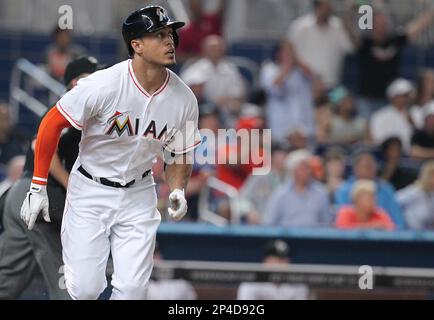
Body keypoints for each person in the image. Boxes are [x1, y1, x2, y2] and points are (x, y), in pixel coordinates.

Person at [19, 6, 201, 300]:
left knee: (132, 291)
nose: (170, 41)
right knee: (85, 289)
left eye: (170, 33)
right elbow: (52, 122)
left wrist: (177, 188)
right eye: (159, 34)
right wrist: (38, 185)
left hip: (139, 192)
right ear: (136, 45)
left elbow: (179, 153)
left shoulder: (184, 99)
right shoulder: (104, 84)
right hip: (90, 189)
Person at [0, 57, 99, 300]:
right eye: (93, 76)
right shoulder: (69, 107)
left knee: (7, 281)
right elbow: (41, 148)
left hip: (22, 195)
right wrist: (71, 186)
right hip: (39, 196)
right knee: (68, 286)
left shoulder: (86, 111)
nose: (100, 81)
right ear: (77, 81)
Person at [347, 5, 434, 117]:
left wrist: (431, 13)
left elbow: (418, 26)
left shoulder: (395, 41)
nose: (382, 27)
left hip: (390, 101)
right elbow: (348, 28)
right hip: (367, 100)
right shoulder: (365, 44)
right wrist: (349, 10)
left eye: (384, 24)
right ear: (371, 26)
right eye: (378, 24)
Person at [181, 35, 246, 128]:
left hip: (227, 113)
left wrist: (228, 101)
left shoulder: (231, 70)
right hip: (202, 113)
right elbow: (186, 96)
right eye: (212, 48)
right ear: (205, 50)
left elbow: (240, 95)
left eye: (219, 48)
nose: (216, 51)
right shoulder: (194, 70)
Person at [288, 0, 355, 89]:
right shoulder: (299, 26)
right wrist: (303, 67)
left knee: (346, 102)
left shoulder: (338, 26)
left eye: (329, 8)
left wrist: (348, 23)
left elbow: (352, 48)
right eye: (325, 8)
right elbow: (288, 51)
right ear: (317, 8)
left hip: (332, 86)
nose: (328, 11)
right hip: (305, 86)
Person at [260, 40, 315, 143]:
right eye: (287, 51)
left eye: (292, 51)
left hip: (303, 124)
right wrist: (288, 64)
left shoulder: (300, 70)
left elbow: (312, 76)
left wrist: (296, 60)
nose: (290, 54)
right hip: (281, 124)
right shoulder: (269, 68)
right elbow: (274, 86)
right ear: (278, 53)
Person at [335, 150, 405, 229]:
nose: (368, 170)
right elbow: (342, 226)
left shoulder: (386, 191)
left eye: (371, 166)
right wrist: (371, 227)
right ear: (355, 168)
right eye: (364, 166)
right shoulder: (343, 190)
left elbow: (397, 223)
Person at [264, 149, 332, 228]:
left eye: (309, 168)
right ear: (293, 171)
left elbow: (327, 223)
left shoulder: (321, 193)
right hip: (285, 238)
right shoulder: (280, 194)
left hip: (315, 238)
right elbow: (269, 223)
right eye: (303, 168)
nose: (308, 171)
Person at [237, 240, 310, 300]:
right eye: (279, 260)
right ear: (266, 261)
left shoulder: (298, 284)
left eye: (286, 260)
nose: (284, 265)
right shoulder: (251, 283)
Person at [370, 78, 415, 153]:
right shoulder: (380, 115)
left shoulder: (413, 114)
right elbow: (377, 139)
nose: (405, 99)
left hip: (408, 154)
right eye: (402, 96)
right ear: (393, 96)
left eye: (406, 96)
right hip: (385, 153)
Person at [397, 161, 434, 230]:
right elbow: (394, 202)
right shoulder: (414, 191)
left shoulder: (432, 194)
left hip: (429, 234)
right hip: (410, 233)